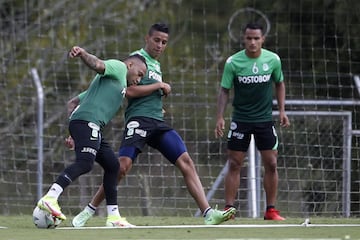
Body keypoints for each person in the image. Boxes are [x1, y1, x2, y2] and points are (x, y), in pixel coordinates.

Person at [71, 22, 236, 227]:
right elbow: (128, 91)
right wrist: (158, 86)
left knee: (186, 161)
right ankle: (89, 210)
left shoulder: (156, 65)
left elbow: (146, 93)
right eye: (156, 40)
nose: (160, 45)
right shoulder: (135, 61)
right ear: (147, 39)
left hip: (157, 122)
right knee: (121, 168)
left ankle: (208, 213)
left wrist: (157, 102)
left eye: (164, 42)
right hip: (138, 121)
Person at [36, 46, 147, 227]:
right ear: (131, 65)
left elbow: (73, 102)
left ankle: (113, 218)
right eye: (139, 74)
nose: (139, 79)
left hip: (87, 125)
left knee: (113, 166)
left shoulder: (110, 84)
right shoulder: (119, 68)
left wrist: (73, 132)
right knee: (85, 163)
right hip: (88, 122)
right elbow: (98, 64)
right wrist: (82, 54)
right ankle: (50, 197)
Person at [214, 22, 290, 221]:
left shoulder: (273, 60)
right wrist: (220, 116)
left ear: (263, 39)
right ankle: (229, 210)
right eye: (249, 38)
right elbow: (224, 90)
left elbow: (280, 83)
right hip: (241, 120)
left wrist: (282, 110)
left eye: (256, 38)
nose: (253, 42)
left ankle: (271, 210)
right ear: (243, 39)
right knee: (234, 163)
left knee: (272, 163)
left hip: (264, 120)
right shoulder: (233, 62)